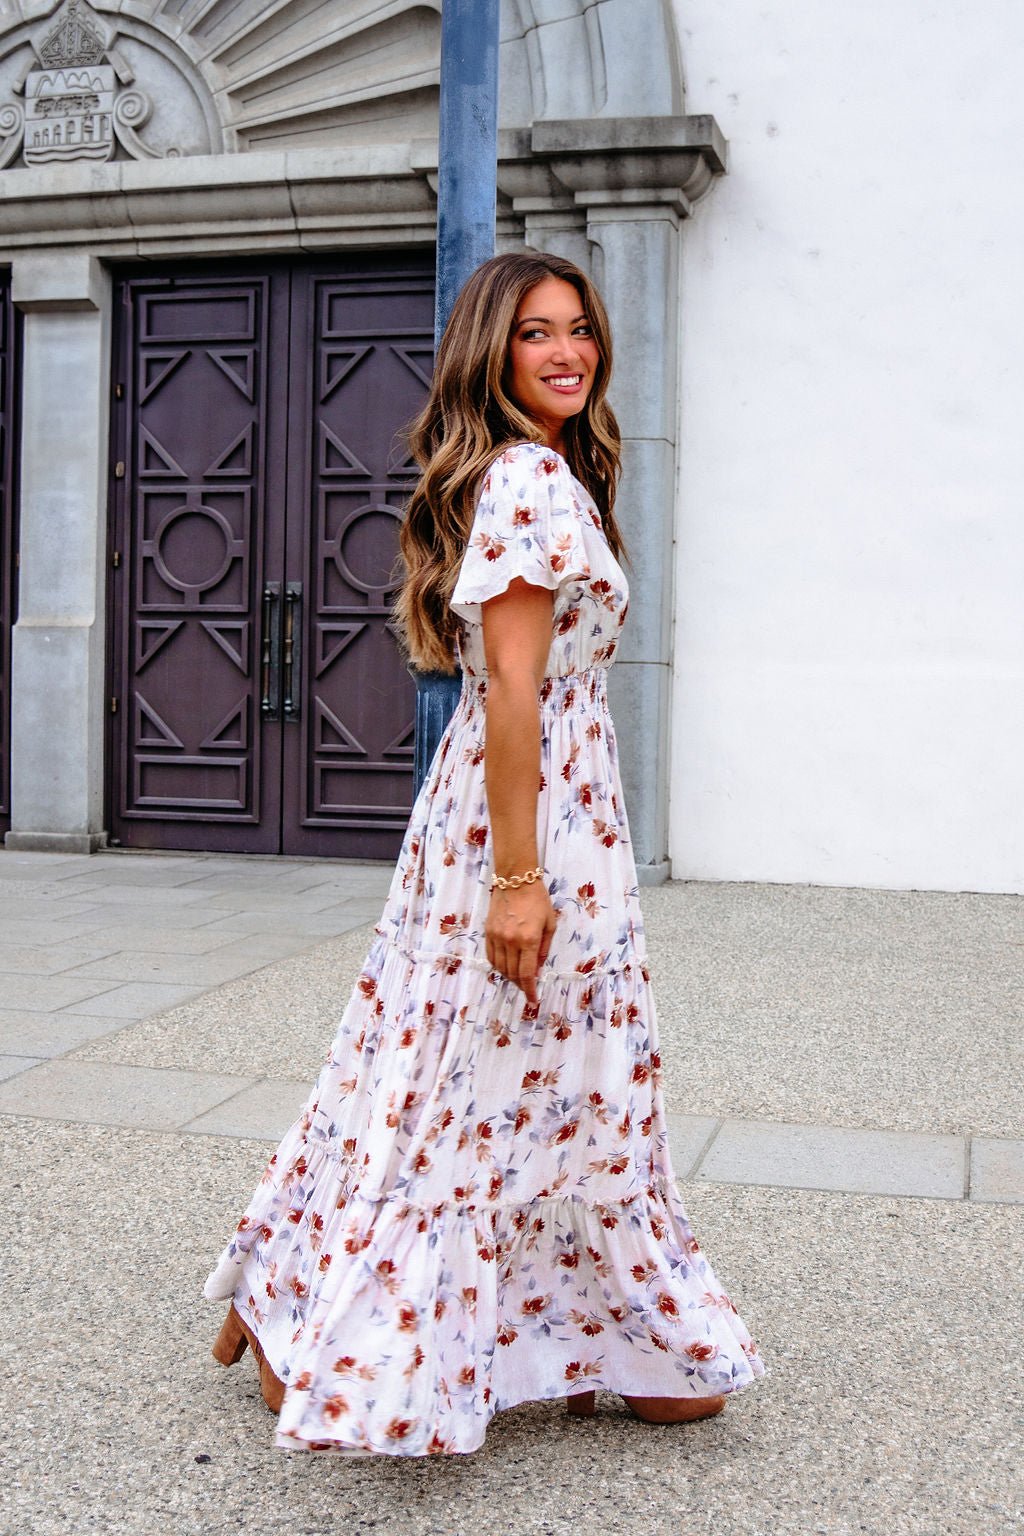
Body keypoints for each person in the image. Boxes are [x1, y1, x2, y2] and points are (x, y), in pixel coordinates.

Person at [205, 252, 765, 1456]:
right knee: (461, 1068)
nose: (567, 353)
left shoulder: (549, 471)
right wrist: (519, 880)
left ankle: (544, 1321)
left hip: (551, 806)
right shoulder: (524, 478)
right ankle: (312, 1306)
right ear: (490, 354)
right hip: (524, 822)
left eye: (580, 331)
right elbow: (511, 681)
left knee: (514, 1071)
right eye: (535, 335)